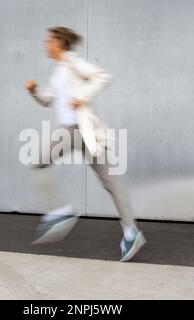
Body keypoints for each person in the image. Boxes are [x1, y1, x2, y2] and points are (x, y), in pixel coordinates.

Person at [25, 26, 145, 262]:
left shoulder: (72, 62)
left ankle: (60, 212)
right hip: (77, 134)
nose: (46, 44)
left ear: (60, 43)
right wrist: (34, 91)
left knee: (38, 163)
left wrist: (83, 98)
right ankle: (132, 232)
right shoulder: (60, 70)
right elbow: (48, 100)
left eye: (49, 41)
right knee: (111, 184)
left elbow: (103, 76)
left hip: (79, 131)